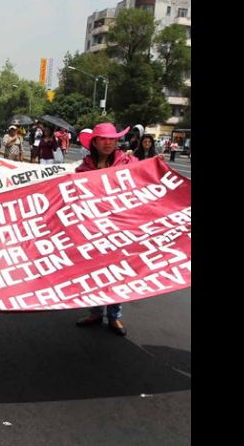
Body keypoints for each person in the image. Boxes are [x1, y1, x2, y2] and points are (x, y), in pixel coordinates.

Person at [74, 122, 137, 337]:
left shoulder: (128, 163)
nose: (108, 142)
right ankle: (94, 311)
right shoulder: (83, 168)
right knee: (95, 271)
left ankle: (114, 316)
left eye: (112, 138)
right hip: (92, 228)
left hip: (120, 227)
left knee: (116, 272)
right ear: (94, 142)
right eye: (103, 139)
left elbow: (144, 180)